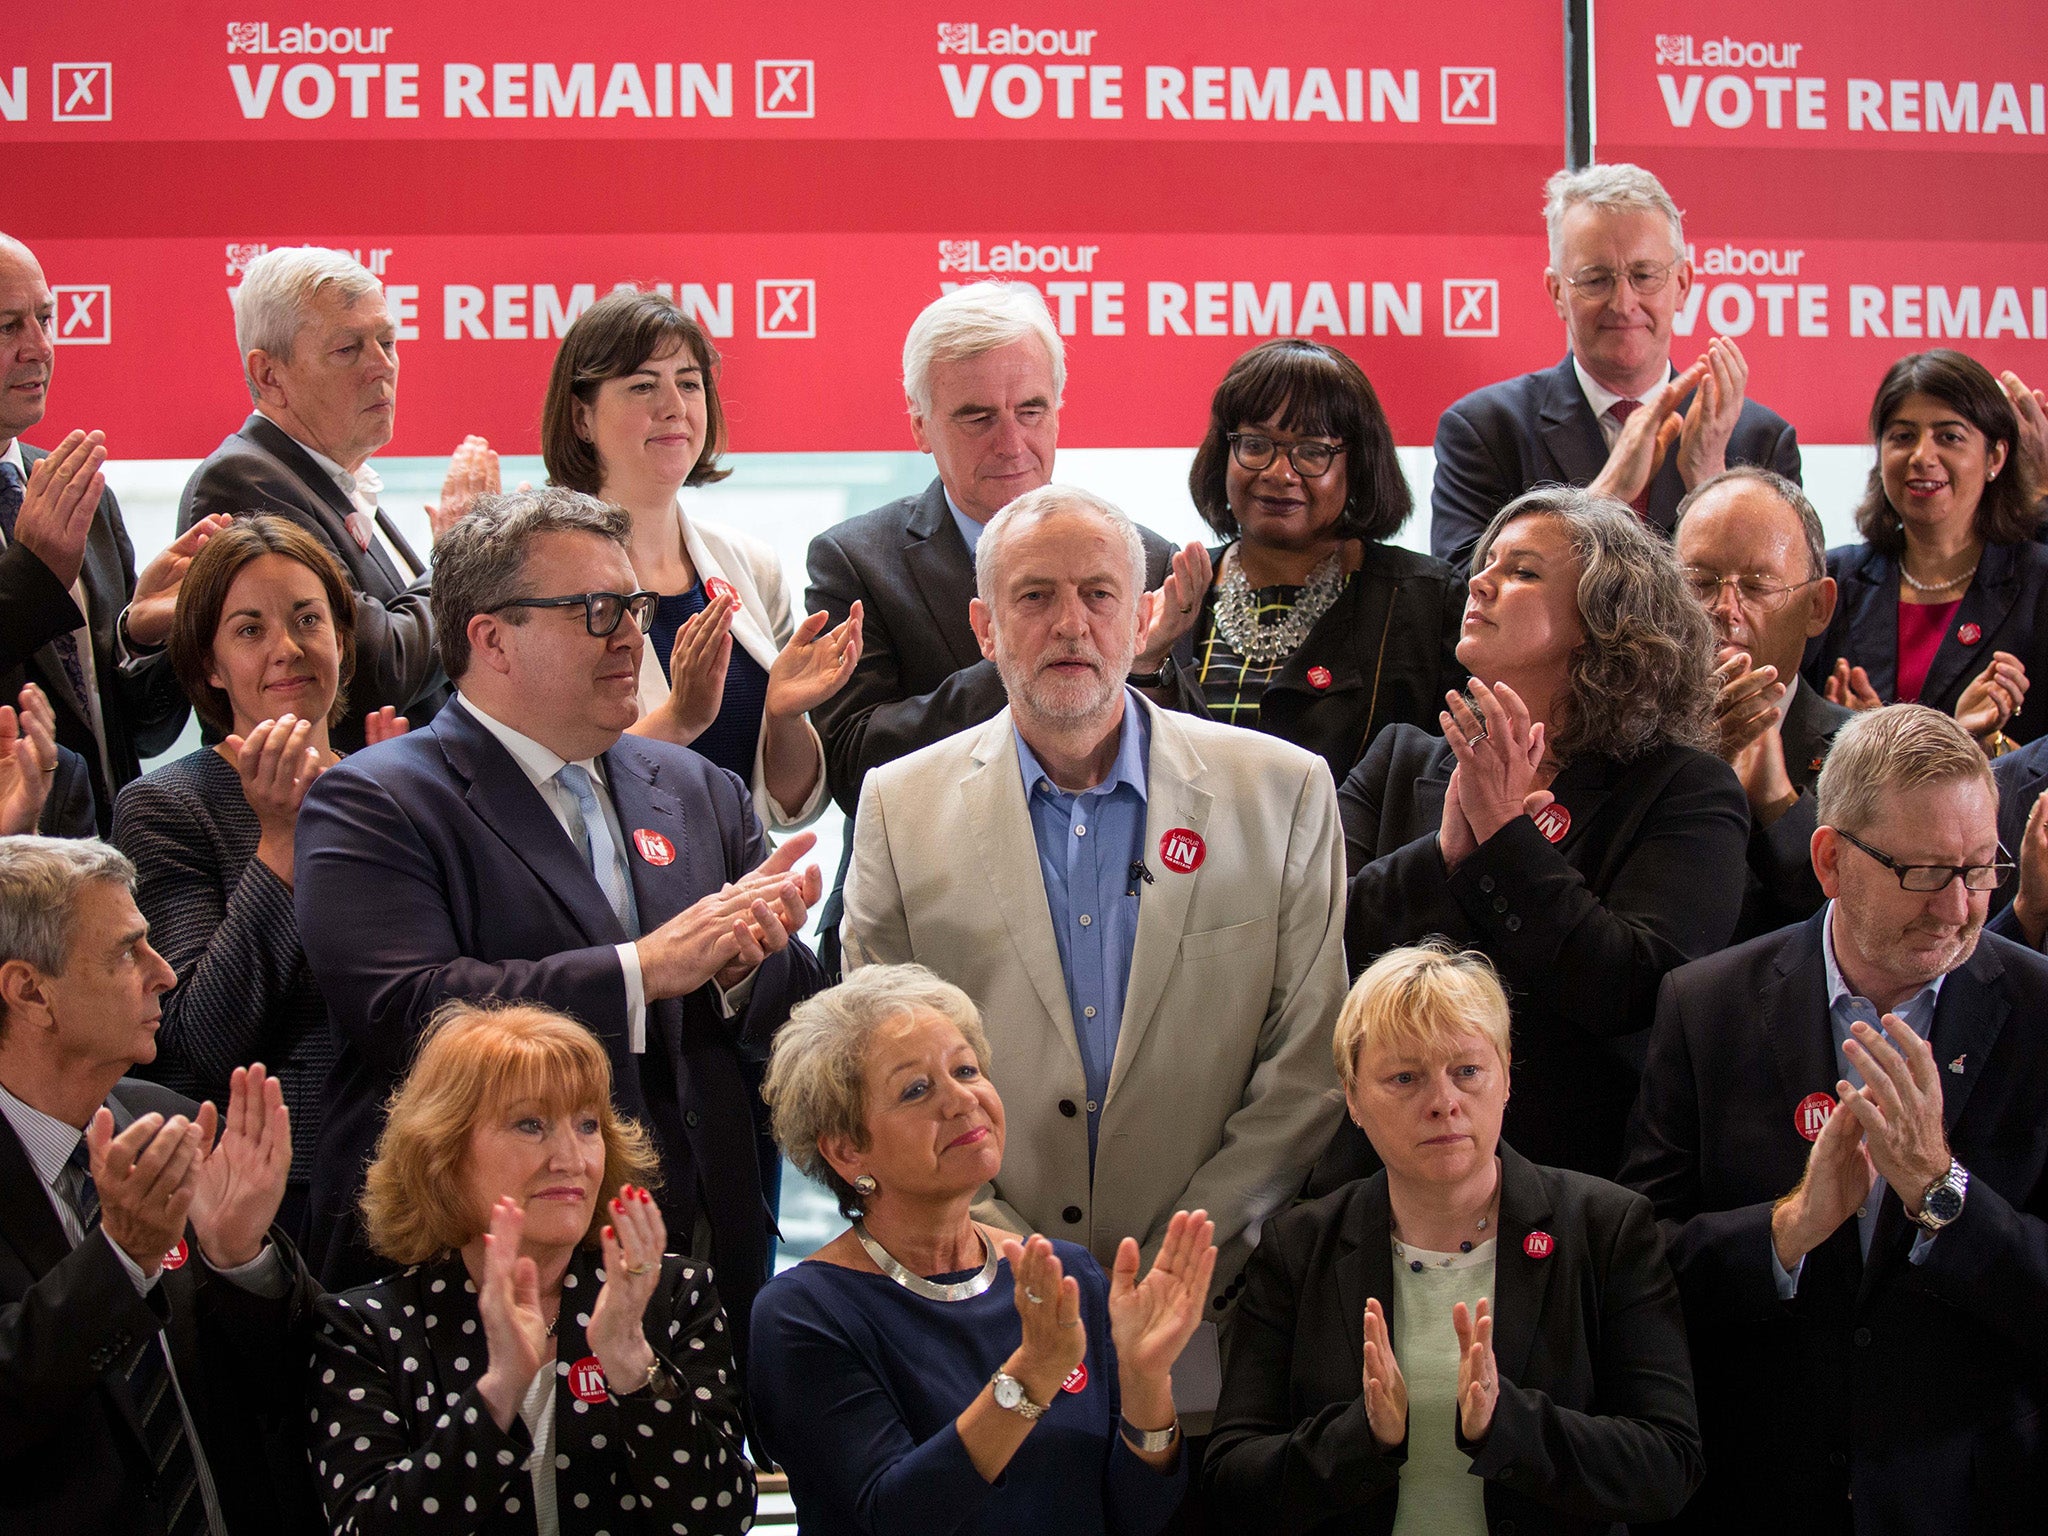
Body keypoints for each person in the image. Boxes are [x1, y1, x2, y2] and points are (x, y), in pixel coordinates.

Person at [294, 488, 828, 1357]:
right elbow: (408, 1011)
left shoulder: (698, 788)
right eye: (597, 610)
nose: (633, 635)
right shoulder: (375, 800)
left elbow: (793, 1018)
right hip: (478, 1275)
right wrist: (639, 970)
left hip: (697, 1262)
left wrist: (741, 970)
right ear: (490, 637)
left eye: (636, 607)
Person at [842, 485, 1347, 1389]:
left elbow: (1307, 1066)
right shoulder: (895, 806)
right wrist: (1011, 1257)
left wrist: (1180, 1257)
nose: (1070, 624)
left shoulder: (1285, 791)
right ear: (984, 626)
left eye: (1099, 594)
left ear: (1144, 612)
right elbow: (881, 1067)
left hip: (1217, 1320)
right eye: (1034, 597)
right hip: (979, 1320)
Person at [1622, 704, 2048, 1532]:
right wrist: (1787, 1229)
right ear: (1829, 860)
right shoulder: (1705, 1007)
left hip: (1972, 1498)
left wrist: (1941, 1191)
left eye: (1981, 869)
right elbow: (1639, 1276)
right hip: (1754, 1493)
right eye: (1925, 872)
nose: (1959, 908)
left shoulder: (2041, 1016)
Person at [1207, 944, 1702, 1534]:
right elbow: (1231, 1480)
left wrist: (1507, 1425)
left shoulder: (1606, 1229)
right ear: (1354, 1098)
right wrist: (1364, 1438)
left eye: (1466, 1071)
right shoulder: (1298, 1247)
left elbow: (1669, 1466)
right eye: (1405, 1078)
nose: (1443, 1103)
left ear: (1507, 1076)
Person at [1337, 488, 1748, 1180]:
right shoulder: (1398, 759)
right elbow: (1325, 949)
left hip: (1578, 1181)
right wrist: (1445, 856)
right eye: (1485, 563)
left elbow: (1631, 989)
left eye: (1522, 571)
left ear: (1602, 621)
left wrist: (1502, 835)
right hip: (1381, 1173)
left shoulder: (1684, 790)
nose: (1481, 581)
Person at [751, 964, 1206, 1535]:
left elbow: (1136, 1516)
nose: (961, 1099)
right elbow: (889, 1518)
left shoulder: (1066, 1274)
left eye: (966, 1069)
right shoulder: (802, 1313)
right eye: (916, 1089)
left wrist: (1146, 1383)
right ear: (847, 1152)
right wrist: (1032, 1376)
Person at [805, 282, 1177, 964]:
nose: (1013, 442)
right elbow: (854, 764)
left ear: (1058, 411)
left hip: (1124, 920)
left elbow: (1192, 759)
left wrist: (1140, 664)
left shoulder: (1145, 559)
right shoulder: (856, 561)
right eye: (977, 417)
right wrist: (1033, 654)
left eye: (1031, 410)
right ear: (920, 424)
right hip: (922, 922)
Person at [310, 1000, 753, 1535]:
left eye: (588, 1125)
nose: (571, 1158)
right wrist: (499, 1392)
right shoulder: (366, 1327)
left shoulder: (675, 1293)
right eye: (531, 1124)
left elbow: (724, 1515)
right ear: (443, 1152)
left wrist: (631, 1362)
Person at [0, 835, 318, 1535]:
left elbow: (293, 1381)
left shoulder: (167, 1120)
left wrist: (243, 1261)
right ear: (29, 991)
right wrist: (120, 1261)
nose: (166, 973)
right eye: (126, 951)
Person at [112, 516, 405, 1243]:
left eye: (309, 619)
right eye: (248, 630)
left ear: (342, 635)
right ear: (208, 664)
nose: (287, 649)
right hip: (276, 1191)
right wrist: (280, 843)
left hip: (422, 1162)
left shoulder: (406, 786)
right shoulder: (167, 806)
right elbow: (193, 1044)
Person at [543, 287, 860, 833]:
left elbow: (789, 807)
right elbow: (545, 787)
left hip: (744, 900)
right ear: (581, 418)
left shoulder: (750, 566)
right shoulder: (540, 576)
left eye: (688, 383)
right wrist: (678, 721)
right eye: (643, 385)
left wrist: (785, 716)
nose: (674, 406)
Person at [1430, 164, 1801, 571]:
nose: (1623, 303)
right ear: (1556, 292)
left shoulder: (1759, 438)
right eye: (1596, 280)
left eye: (1644, 275)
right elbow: (1460, 598)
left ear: (1682, 285)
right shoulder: (1486, 430)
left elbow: (1778, 603)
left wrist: (1710, 482)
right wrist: (1605, 497)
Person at [179, 245, 476, 747]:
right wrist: (460, 558)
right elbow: (373, 666)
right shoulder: (244, 480)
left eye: (387, 342)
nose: (382, 367)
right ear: (268, 375)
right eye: (348, 349)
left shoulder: (331, 476)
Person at [1155, 339, 1466, 785]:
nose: (1280, 473)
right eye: (1256, 444)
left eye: (1312, 451)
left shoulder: (1430, 603)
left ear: (1357, 464)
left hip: (1361, 855)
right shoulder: (1173, 589)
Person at [0, 233, 224, 831]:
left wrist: (141, 636)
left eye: (45, 319)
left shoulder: (76, 494)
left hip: (108, 864)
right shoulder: (55, 516)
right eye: (8, 328)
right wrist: (34, 575)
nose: (39, 348)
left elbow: (138, 735)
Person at [1803, 349, 2048, 749]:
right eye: (1902, 437)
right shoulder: (1834, 580)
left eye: (1949, 437)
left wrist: (1977, 741)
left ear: (1996, 457)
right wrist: (1848, 737)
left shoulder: (2038, 583)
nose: (1922, 456)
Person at [1674, 467, 1851, 939]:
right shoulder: (1617, 733)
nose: (1725, 608)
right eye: (1700, 581)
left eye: (1757, 586)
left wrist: (1777, 805)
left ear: (1818, 606)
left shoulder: (1866, 753)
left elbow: (1869, 927)